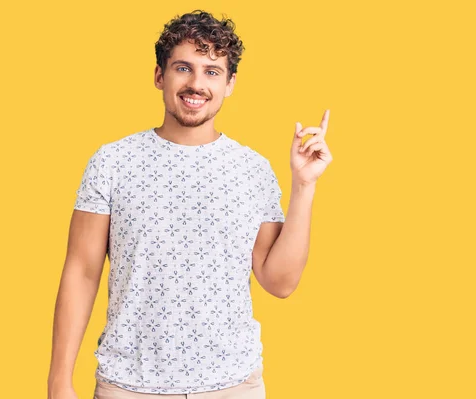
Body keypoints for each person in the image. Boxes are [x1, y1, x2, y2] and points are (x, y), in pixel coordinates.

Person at [47, 9, 332, 399]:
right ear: (159, 75)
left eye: (212, 71)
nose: (197, 84)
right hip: (129, 386)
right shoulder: (112, 162)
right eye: (184, 68)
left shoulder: (253, 170)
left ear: (230, 83)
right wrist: (59, 382)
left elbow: (279, 282)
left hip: (233, 385)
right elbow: (81, 272)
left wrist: (303, 185)